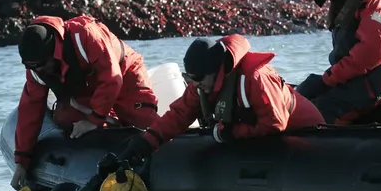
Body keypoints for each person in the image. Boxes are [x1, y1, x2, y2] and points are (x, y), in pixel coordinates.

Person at [115, 34, 325, 161]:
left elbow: (275, 122)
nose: (195, 83)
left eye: (198, 78)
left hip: (305, 133)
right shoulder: (201, 84)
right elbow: (179, 115)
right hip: (262, 136)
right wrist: (147, 141)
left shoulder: (254, 78)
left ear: (216, 71)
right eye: (190, 78)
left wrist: (229, 133)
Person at [11, 15, 159, 189]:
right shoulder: (36, 68)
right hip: (86, 87)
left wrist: (93, 120)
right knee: (67, 120)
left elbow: (112, 79)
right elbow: (30, 110)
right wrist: (21, 161)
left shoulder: (86, 36)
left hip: (124, 73)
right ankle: (109, 131)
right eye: (30, 66)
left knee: (142, 120)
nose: (37, 70)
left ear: (52, 51)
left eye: (41, 64)